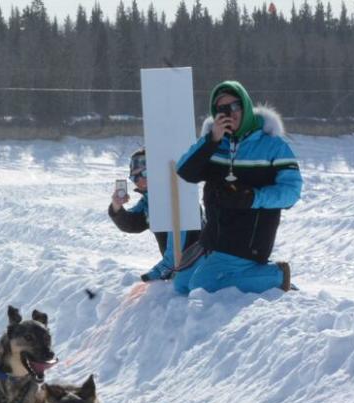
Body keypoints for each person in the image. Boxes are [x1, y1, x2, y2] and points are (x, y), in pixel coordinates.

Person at [174, 81, 302, 294]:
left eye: (234, 107)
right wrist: (211, 140)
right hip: (214, 237)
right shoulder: (215, 144)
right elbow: (185, 172)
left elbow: (291, 192)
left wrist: (253, 197)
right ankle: (251, 275)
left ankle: (276, 276)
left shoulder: (273, 145)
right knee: (181, 284)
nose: (228, 114)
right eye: (221, 109)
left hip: (248, 238)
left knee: (201, 286)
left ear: (246, 107)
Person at [108, 147, 202, 282]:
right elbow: (132, 223)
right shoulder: (149, 201)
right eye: (135, 177)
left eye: (144, 173)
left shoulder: (179, 198)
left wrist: (161, 271)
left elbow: (179, 244)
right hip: (178, 270)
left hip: (196, 266)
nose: (140, 180)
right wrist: (117, 207)